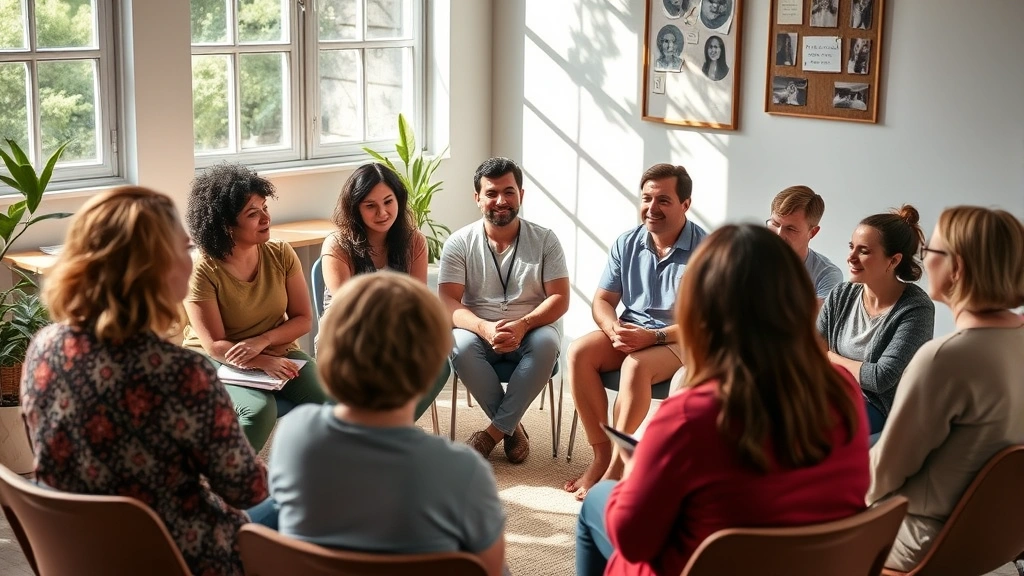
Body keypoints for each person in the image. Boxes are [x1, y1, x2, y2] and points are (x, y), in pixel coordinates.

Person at [575, 224, 870, 576]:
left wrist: (636, 468)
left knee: (598, 500)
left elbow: (634, 539)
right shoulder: (841, 388)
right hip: (809, 565)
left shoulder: (688, 417)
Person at [20, 187, 269, 576]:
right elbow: (246, 489)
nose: (192, 261)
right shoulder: (182, 373)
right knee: (297, 509)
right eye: (185, 249)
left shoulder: (43, 349)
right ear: (154, 267)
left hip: (80, 553)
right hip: (178, 557)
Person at [269, 272, 506, 576]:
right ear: (431, 367)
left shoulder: (294, 433)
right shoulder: (463, 469)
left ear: (329, 356)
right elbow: (490, 569)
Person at [868, 206, 1024, 571]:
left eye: (930, 252)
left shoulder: (946, 358)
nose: (922, 261)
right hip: (1000, 536)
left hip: (925, 538)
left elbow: (883, 476)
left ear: (959, 267)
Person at [565, 163, 707, 501]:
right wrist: (612, 328)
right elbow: (602, 300)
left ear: (685, 205)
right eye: (646, 198)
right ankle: (601, 456)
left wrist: (653, 338)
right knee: (579, 352)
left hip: (682, 337)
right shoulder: (627, 242)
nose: (652, 208)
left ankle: (617, 467)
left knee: (636, 366)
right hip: (633, 330)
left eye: (663, 200)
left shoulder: (706, 250)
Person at [182, 163, 330, 452]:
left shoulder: (281, 253)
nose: (266, 218)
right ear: (225, 224)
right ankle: (228, 488)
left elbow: (302, 319)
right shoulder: (203, 270)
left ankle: (314, 476)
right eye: (253, 213)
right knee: (259, 410)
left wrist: (263, 343)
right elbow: (214, 344)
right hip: (215, 359)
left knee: (329, 401)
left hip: (275, 349)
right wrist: (261, 361)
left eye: (264, 207)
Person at [438, 157, 569, 464]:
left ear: (521, 194)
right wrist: (484, 327)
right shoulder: (459, 243)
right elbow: (447, 302)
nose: (501, 201)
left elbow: (560, 298)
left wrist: (523, 324)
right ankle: (512, 430)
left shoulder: (545, 240)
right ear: (477, 198)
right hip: (479, 329)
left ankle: (492, 434)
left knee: (548, 343)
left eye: (509, 192)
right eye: (492, 193)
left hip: (533, 328)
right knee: (459, 344)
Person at [319, 162, 446, 420]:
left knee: (440, 365)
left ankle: (391, 428)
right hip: (347, 334)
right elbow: (348, 307)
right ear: (355, 208)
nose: (382, 212)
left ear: (399, 200)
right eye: (370, 206)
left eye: (388, 201)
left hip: (397, 331)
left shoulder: (414, 241)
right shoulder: (338, 244)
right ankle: (374, 432)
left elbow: (416, 301)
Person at [817, 205, 935, 435]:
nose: (851, 257)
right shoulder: (841, 294)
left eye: (864, 251)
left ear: (893, 261)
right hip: (829, 393)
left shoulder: (916, 309)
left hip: (878, 408)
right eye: (852, 247)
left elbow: (881, 378)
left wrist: (829, 356)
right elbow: (812, 349)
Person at [766, 185, 843, 305]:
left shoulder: (827, 275)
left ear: (812, 232)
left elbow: (813, 319)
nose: (779, 235)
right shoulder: (748, 259)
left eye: (791, 229)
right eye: (774, 224)